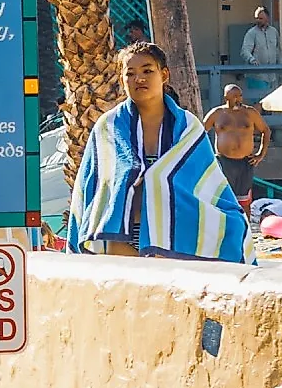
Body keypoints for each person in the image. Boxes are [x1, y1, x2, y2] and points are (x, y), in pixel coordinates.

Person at [68, 43, 247, 261]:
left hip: (177, 237)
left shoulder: (187, 126)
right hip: (118, 241)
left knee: (236, 226)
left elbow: (204, 186)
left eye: (147, 71)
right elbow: (97, 190)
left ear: (163, 75)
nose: (139, 79)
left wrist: (154, 180)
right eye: (130, 73)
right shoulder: (108, 126)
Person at [203, 83, 270, 212]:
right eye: (234, 96)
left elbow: (265, 130)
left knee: (244, 202)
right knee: (223, 199)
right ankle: (224, 230)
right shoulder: (217, 113)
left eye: (240, 96)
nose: (238, 99)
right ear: (225, 98)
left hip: (245, 162)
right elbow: (200, 132)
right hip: (224, 161)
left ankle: (246, 229)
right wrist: (206, 156)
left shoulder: (250, 113)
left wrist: (261, 153)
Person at [237, 6, 282, 96]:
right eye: (256, 18)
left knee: (271, 102)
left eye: (261, 18)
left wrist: (281, 71)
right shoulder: (251, 33)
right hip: (257, 76)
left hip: (272, 76)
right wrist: (252, 60)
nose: (258, 20)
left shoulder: (274, 32)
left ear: (267, 18)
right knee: (259, 103)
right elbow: (244, 51)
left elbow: (278, 51)